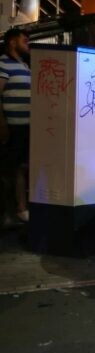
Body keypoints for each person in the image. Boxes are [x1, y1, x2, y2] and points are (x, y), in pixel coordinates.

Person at [0, 28, 31, 226]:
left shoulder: (25, 65)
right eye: (24, 40)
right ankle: (10, 212)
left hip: (26, 126)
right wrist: (2, 124)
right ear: (12, 42)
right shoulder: (3, 63)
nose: (27, 43)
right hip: (12, 127)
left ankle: (21, 208)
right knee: (9, 170)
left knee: (21, 167)